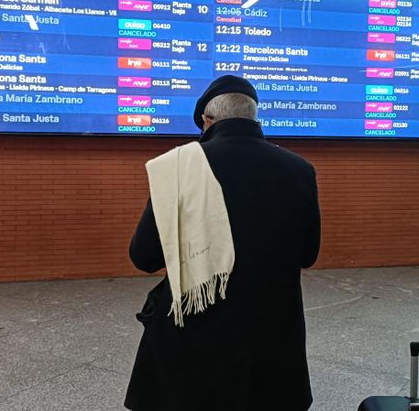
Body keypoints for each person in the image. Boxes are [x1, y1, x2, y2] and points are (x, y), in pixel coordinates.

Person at [125, 75, 321, 411]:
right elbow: (308, 255)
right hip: (272, 342)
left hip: (194, 342)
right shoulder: (300, 169)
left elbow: (144, 257)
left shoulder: (177, 167)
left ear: (207, 120)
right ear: (254, 117)